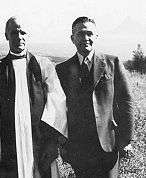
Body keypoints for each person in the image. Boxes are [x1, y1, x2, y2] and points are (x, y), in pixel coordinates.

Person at [0, 16, 68, 178]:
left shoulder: (43, 65)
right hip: (8, 146)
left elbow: (57, 103)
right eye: (14, 33)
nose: (19, 37)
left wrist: (50, 141)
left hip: (39, 143)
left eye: (23, 32)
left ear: (28, 34)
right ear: (6, 36)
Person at [56, 16, 134, 177]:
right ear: (72, 38)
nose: (86, 38)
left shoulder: (113, 63)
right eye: (80, 34)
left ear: (96, 36)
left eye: (90, 33)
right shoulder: (62, 70)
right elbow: (59, 109)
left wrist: (126, 140)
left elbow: (126, 101)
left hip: (108, 145)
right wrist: (62, 143)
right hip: (78, 149)